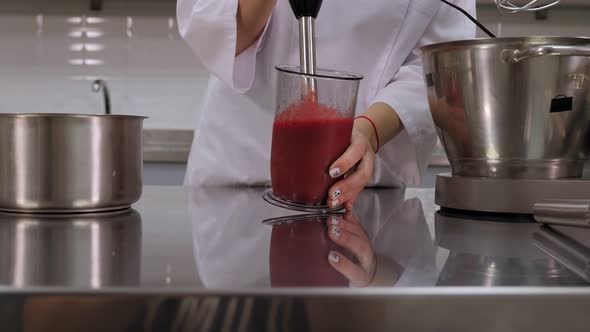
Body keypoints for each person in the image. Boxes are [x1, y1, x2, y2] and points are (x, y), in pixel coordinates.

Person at [177, 0, 475, 207]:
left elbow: (433, 64)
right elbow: (214, 25)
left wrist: (368, 133)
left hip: (359, 191)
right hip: (238, 183)